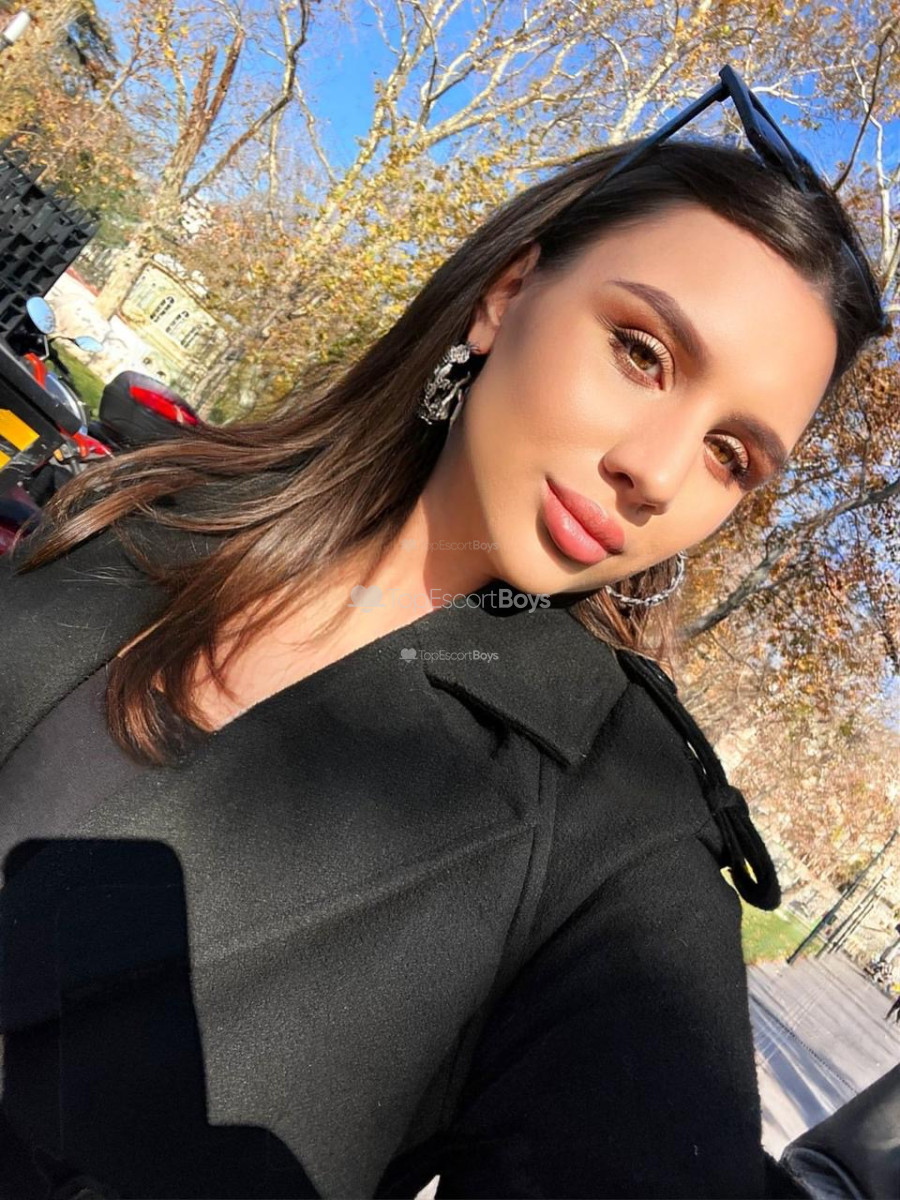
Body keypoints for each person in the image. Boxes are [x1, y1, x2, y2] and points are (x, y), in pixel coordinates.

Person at [0, 66, 889, 1200]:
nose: (658, 473)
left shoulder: (624, 843)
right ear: (508, 295)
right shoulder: (158, 504)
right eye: (642, 352)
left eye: (730, 455)